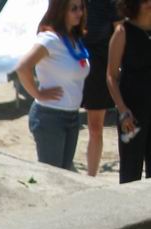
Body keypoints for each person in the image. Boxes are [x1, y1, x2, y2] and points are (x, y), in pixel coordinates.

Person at [16, 0, 90, 170]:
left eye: (81, 8)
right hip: (50, 116)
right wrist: (37, 93)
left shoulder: (74, 38)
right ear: (61, 10)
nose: (79, 13)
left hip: (73, 116)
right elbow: (23, 67)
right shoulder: (50, 39)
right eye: (73, 9)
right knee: (53, 175)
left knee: (65, 174)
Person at [106, 0, 151, 183]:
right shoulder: (122, 32)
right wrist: (123, 110)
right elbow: (111, 76)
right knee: (130, 173)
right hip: (132, 114)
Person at [82, 0, 121, 176]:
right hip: (73, 60)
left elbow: (119, 32)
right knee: (65, 120)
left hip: (98, 65)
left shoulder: (110, 3)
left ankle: (91, 176)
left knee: (95, 127)